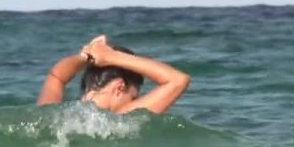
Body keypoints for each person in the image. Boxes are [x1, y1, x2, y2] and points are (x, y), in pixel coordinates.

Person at [37, 35, 190, 114]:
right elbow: (178, 80)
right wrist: (111, 57)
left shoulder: (55, 112)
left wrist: (86, 56)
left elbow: (56, 77)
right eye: (133, 97)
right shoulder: (121, 117)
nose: (134, 102)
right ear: (119, 88)